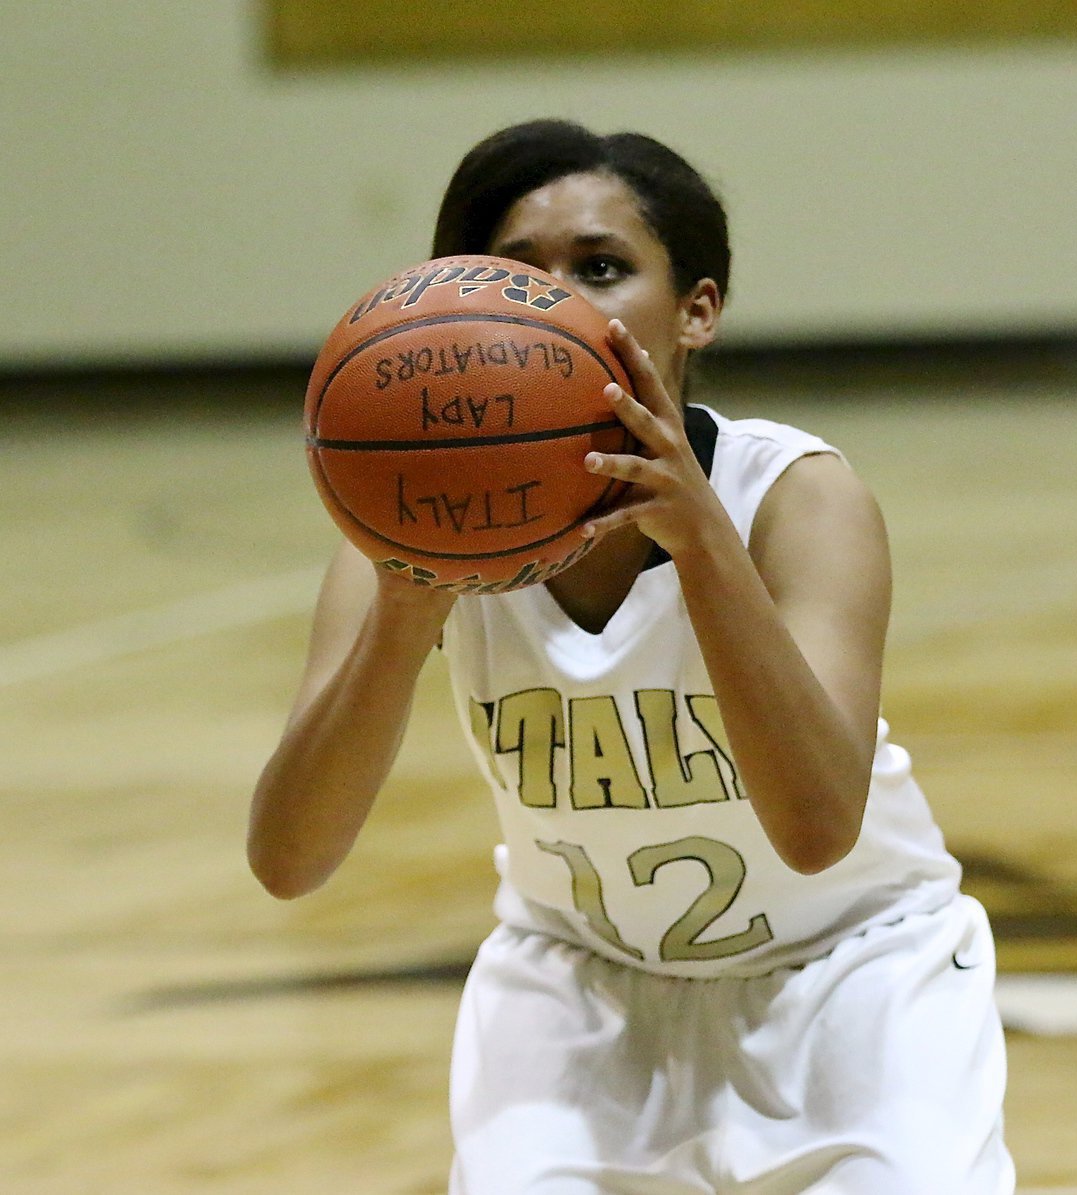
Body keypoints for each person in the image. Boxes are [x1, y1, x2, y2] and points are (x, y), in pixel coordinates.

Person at [248, 119, 1014, 1194]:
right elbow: (291, 859)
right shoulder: (404, 537)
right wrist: (402, 610)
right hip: (581, 998)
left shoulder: (793, 497)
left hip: (849, 977)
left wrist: (700, 540)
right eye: (516, 276)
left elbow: (813, 826)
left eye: (601, 269)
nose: (559, 304)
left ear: (696, 309)